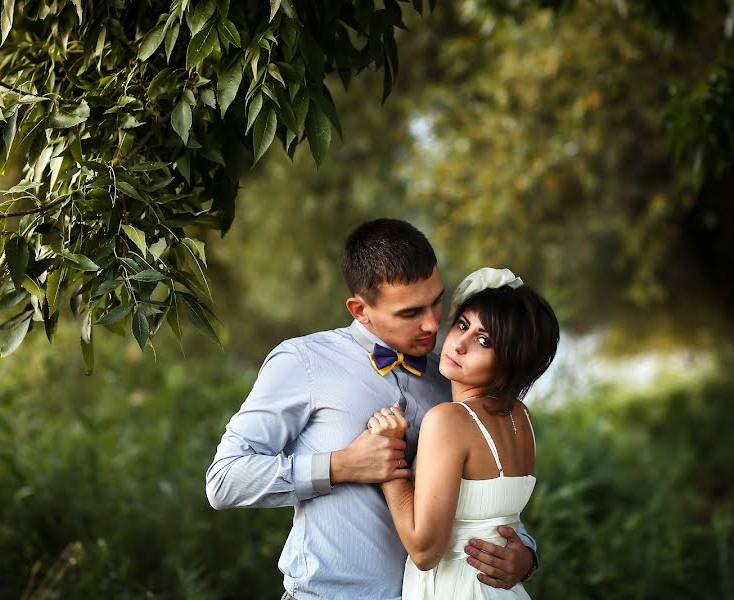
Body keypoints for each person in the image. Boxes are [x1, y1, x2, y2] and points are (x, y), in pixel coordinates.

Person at [206, 219, 539, 600]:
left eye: (436, 301)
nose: (434, 324)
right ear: (360, 309)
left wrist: (524, 555)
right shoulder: (303, 362)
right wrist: (340, 465)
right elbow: (224, 480)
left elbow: (481, 493)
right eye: (411, 313)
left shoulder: (450, 376)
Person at [367, 267, 560, 599]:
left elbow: (425, 552)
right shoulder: (520, 417)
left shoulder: (449, 420)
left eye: (484, 340)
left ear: (510, 360)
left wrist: (388, 464)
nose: (459, 344)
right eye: (462, 325)